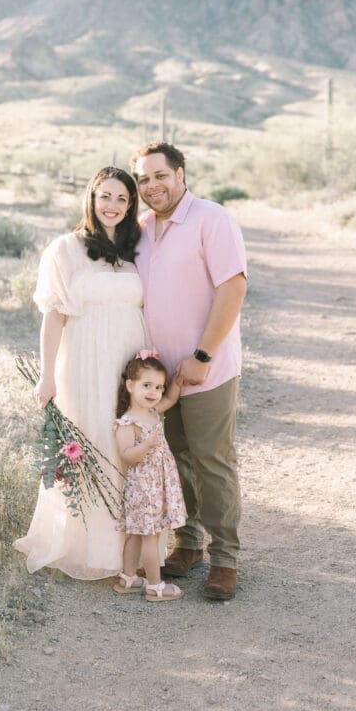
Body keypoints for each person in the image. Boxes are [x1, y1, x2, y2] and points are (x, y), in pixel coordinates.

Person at [14, 166, 150, 579]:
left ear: (131, 206)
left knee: (125, 445)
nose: (113, 206)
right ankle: (85, 546)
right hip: (83, 360)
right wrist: (46, 375)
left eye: (122, 199)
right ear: (91, 199)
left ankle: (129, 553)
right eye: (105, 196)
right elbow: (53, 317)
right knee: (91, 438)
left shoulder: (136, 250)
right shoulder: (66, 248)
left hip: (128, 361)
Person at [131, 142, 247, 601]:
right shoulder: (142, 228)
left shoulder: (212, 220)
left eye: (159, 175)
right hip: (160, 375)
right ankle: (189, 542)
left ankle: (225, 560)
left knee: (212, 461)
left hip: (206, 368)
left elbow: (232, 289)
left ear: (180, 174)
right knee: (176, 458)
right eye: (142, 179)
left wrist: (201, 357)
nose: (151, 186)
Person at [113, 350, 186, 602]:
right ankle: (155, 586)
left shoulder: (153, 411)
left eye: (158, 387)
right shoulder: (128, 422)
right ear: (130, 386)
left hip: (155, 484)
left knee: (136, 533)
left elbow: (170, 401)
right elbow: (126, 454)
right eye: (147, 385)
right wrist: (146, 445)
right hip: (143, 487)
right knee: (149, 536)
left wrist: (175, 384)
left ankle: (128, 578)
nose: (154, 392)